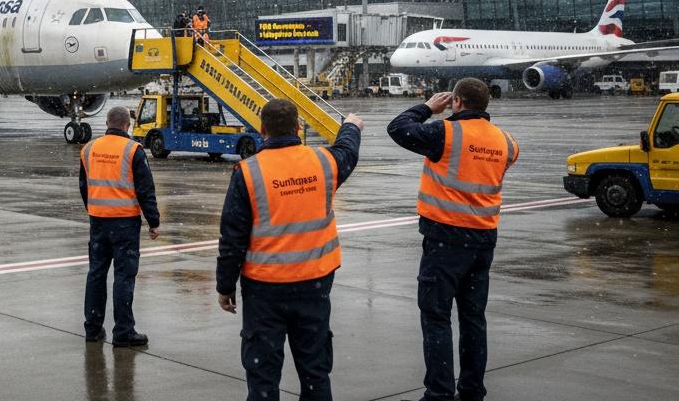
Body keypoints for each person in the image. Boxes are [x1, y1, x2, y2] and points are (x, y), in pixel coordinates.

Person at [217, 99, 363, 401]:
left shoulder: (247, 172)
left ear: (262, 130)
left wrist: (225, 286)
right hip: (315, 283)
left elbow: (232, 237)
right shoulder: (324, 162)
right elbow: (348, 152)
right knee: (315, 372)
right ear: (298, 128)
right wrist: (350, 127)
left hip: (265, 289)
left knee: (263, 377)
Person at [386, 78, 519, 401]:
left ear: (456, 102)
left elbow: (398, 128)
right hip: (484, 239)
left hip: (445, 238)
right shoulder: (506, 142)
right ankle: (472, 390)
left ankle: (439, 393)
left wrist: (427, 108)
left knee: (436, 317)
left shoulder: (444, 133)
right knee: (473, 320)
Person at [80, 105, 161, 347]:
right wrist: (153, 221)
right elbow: (145, 189)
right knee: (124, 277)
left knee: (96, 273)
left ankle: (92, 329)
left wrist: (94, 208)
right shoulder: (133, 149)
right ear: (127, 125)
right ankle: (123, 331)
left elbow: (84, 186)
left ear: (107, 123)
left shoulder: (89, 148)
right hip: (124, 222)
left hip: (98, 221)